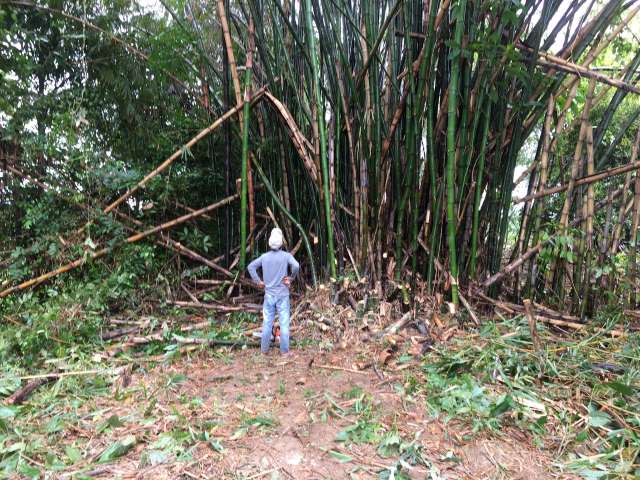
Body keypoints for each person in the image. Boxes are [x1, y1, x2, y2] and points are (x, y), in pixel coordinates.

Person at [247, 227, 300, 355]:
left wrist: (258, 281)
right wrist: (291, 278)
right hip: (282, 295)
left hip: (269, 295)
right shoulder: (286, 256)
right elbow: (296, 266)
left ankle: (264, 350)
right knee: (284, 323)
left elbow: (250, 267)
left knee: (267, 323)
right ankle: (284, 352)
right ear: (281, 242)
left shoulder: (264, 257)